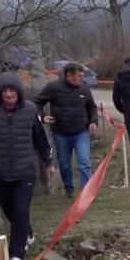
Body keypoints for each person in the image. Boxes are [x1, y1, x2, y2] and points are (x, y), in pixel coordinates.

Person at [0, 73, 56, 260]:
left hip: (24, 170)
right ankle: (27, 233)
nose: (9, 94)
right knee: (10, 210)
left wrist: (48, 161)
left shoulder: (30, 110)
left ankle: (17, 253)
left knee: (20, 208)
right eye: (5, 91)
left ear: (19, 92)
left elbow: (41, 139)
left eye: (12, 91)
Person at [33, 62, 98, 198]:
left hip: (81, 131)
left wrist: (93, 121)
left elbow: (92, 107)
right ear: (69, 75)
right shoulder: (53, 88)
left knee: (84, 161)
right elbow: (36, 102)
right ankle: (69, 188)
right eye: (79, 76)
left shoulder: (84, 89)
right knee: (64, 164)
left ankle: (86, 192)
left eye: (82, 76)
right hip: (61, 133)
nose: (81, 78)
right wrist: (42, 116)